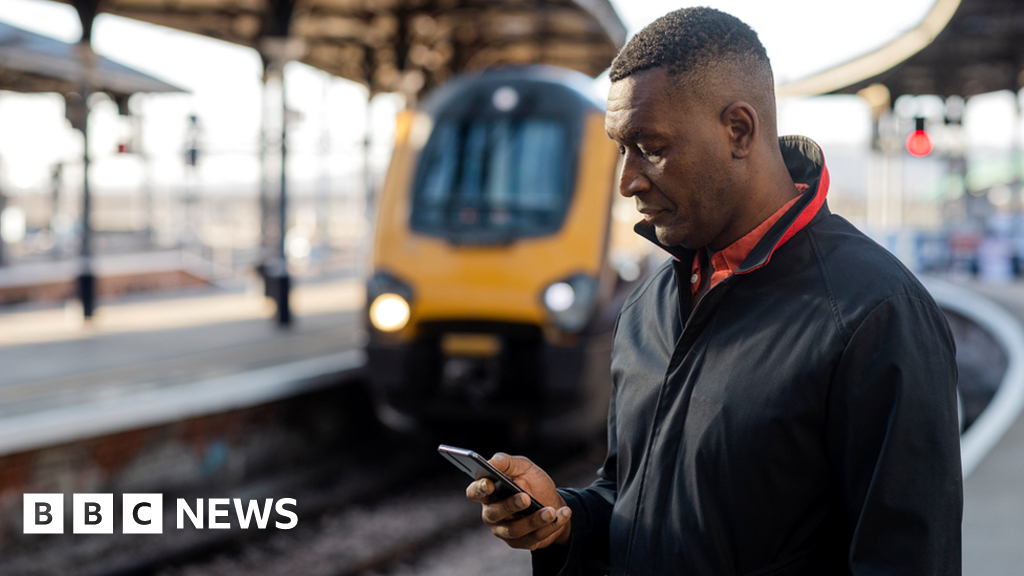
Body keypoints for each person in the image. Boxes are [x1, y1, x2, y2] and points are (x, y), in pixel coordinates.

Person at [466, 6, 963, 575]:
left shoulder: (875, 315)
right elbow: (632, 499)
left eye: (649, 146)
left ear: (739, 131)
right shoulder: (649, 307)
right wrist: (564, 522)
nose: (627, 180)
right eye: (620, 148)